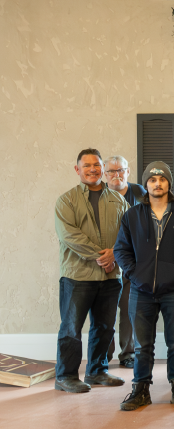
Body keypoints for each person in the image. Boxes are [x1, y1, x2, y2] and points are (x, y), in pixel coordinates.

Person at [114, 162, 174, 411]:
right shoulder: (132, 215)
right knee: (143, 345)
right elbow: (121, 250)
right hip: (140, 291)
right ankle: (140, 390)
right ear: (146, 184)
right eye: (152, 180)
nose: (157, 183)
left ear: (169, 183)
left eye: (162, 179)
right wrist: (135, 274)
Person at [54, 149, 129, 393]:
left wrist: (115, 255)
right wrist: (103, 255)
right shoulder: (66, 201)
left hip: (110, 277)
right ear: (78, 170)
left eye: (96, 165)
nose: (92, 169)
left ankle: (97, 371)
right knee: (71, 328)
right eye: (86, 166)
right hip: (78, 276)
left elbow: (128, 234)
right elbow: (70, 236)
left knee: (105, 327)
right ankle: (65, 376)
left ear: (103, 169)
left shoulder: (118, 201)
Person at [104, 155, 144, 369]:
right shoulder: (99, 196)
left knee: (130, 311)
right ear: (104, 174)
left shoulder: (141, 194)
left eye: (121, 170)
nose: (116, 174)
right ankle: (103, 354)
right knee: (106, 311)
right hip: (107, 264)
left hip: (132, 264)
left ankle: (128, 353)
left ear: (128, 171)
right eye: (111, 171)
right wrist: (109, 254)